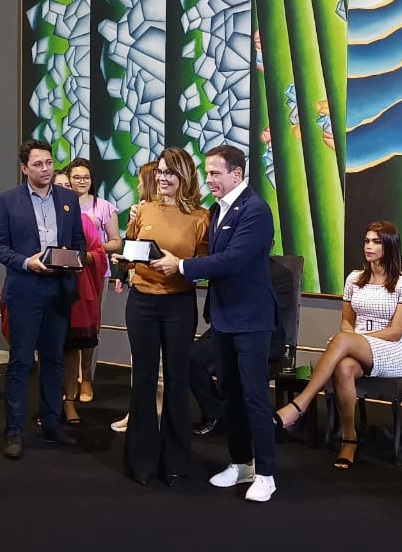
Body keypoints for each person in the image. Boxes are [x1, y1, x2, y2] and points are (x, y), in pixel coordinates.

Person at [151, 144, 278, 502]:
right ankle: (241, 463)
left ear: (237, 174)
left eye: (215, 173)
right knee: (230, 394)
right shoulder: (216, 209)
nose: (208, 180)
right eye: (207, 173)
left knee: (254, 397)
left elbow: (232, 260)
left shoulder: (255, 210)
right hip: (223, 317)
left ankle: (266, 474)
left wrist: (180, 266)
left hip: (251, 320)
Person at [274, 220, 402, 469]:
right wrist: (351, 340)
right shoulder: (354, 279)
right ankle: (349, 438)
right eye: (367, 241)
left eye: (376, 242)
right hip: (357, 347)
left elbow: (395, 332)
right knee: (343, 368)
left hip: (395, 351)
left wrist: (354, 340)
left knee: (343, 340)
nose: (369, 246)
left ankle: (300, 404)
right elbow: (346, 323)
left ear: (390, 246)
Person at [111, 147, 209, 487]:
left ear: (185, 176)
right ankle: (141, 461)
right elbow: (131, 248)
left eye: (170, 172)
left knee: (177, 382)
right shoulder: (143, 210)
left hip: (179, 305)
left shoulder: (200, 217)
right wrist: (124, 261)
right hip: (142, 303)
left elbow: (204, 266)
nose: (163, 178)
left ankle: (175, 462)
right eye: (160, 171)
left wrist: (178, 265)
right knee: (143, 380)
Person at [0, 139, 86, 460]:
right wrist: (25, 262)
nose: (46, 169)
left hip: (59, 289)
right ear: (24, 168)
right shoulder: (7, 200)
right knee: (20, 361)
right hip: (25, 289)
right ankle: (14, 430)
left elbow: (78, 241)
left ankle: (51, 423)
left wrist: (76, 260)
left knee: (54, 359)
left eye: (49, 163)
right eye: (38, 164)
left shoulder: (68, 198)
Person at [191, 256, 293, 437]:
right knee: (191, 356)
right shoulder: (230, 266)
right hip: (225, 330)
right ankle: (217, 414)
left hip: (264, 336)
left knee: (241, 357)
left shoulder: (280, 274)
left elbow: (275, 313)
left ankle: (254, 422)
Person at [67, 158, 122, 402]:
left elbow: (116, 242)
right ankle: (69, 380)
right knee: (68, 326)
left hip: (95, 272)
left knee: (91, 325)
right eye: (77, 177)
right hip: (66, 272)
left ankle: (87, 377)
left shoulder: (104, 207)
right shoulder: (62, 205)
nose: (82, 181)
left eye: (86, 177)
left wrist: (93, 247)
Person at [111, 160, 159, 433]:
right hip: (139, 290)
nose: (138, 187)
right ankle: (138, 414)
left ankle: (157, 415)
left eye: (140, 182)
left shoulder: (169, 215)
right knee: (138, 361)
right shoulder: (138, 211)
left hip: (161, 294)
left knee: (158, 366)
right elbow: (131, 249)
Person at [62, 213, 107, 424]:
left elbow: (99, 255)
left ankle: (69, 401)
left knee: (72, 348)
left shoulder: (81, 219)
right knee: (47, 350)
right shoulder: (39, 217)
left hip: (76, 290)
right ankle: (49, 403)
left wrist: (78, 256)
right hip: (43, 288)